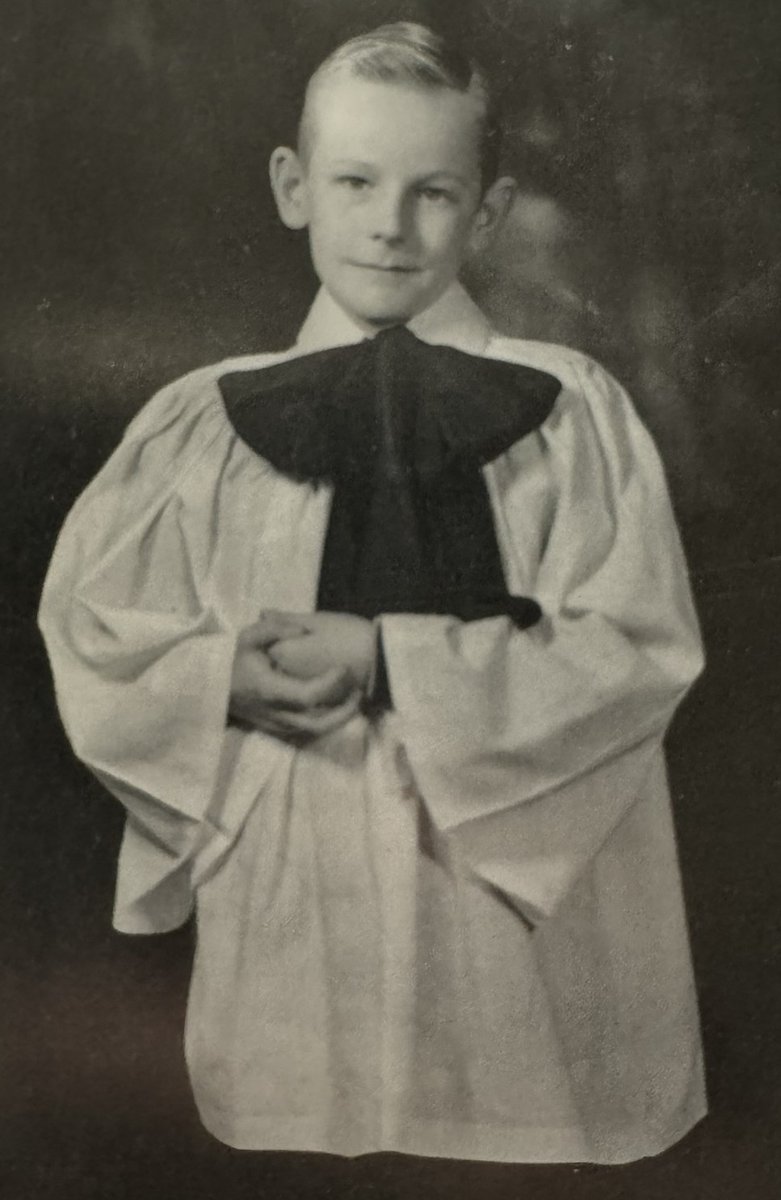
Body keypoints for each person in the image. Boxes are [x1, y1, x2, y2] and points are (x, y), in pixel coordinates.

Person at [38, 22, 706, 1165]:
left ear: (487, 212)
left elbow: (636, 649)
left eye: (433, 192)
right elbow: (96, 636)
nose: (390, 226)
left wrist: (392, 659)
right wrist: (216, 676)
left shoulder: (568, 407)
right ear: (294, 188)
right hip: (302, 900)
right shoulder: (202, 420)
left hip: (513, 936)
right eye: (355, 182)